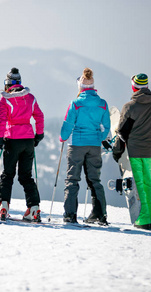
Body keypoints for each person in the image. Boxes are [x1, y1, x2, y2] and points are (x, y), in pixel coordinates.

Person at [112, 73, 151, 230]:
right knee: (148, 184)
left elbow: (122, 133)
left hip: (134, 153)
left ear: (134, 87)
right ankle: (150, 218)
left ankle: (142, 220)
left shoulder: (130, 107)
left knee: (137, 186)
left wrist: (117, 151)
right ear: (147, 86)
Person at [60, 68, 110, 224]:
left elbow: (67, 125)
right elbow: (107, 126)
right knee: (95, 180)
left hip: (76, 145)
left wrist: (63, 137)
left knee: (72, 179)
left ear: (80, 87)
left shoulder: (75, 104)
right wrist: (98, 138)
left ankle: (70, 214)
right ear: (93, 87)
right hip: (94, 145)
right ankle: (100, 214)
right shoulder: (102, 103)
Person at [0, 68, 45, 222]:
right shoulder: (30, 98)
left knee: (8, 174)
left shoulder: (6, 99)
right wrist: (39, 135)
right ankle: (34, 208)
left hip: (12, 139)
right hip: (28, 139)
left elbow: (1, 119)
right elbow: (39, 116)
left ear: (8, 83)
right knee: (26, 176)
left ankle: (4, 206)